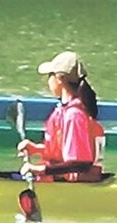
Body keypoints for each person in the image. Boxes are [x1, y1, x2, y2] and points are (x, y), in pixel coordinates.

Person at [17, 51, 106, 182]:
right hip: (59, 179)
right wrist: (36, 149)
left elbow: (81, 163)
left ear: (60, 79)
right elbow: (63, 151)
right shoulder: (64, 110)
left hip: (73, 185)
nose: (47, 80)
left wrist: (40, 170)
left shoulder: (74, 116)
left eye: (50, 75)